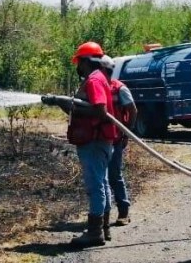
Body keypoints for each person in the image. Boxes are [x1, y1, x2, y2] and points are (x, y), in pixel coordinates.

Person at [59, 42, 117, 248]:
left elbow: (99, 111)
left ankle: (94, 232)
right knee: (102, 183)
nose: (78, 67)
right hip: (100, 139)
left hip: (94, 140)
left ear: (86, 61)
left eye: (80, 62)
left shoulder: (93, 80)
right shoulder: (99, 78)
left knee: (96, 186)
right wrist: (66, 105)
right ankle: (104, 227)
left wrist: (70, 107)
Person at [99, 55, 138, 232]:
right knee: (102, 178)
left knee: (114, 175)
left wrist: (126, 133)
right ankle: (101, 215)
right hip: (100, 139)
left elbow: (132, 110)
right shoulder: (95, 87)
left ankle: (124, 211)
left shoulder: (119, 88)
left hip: (115, 139)